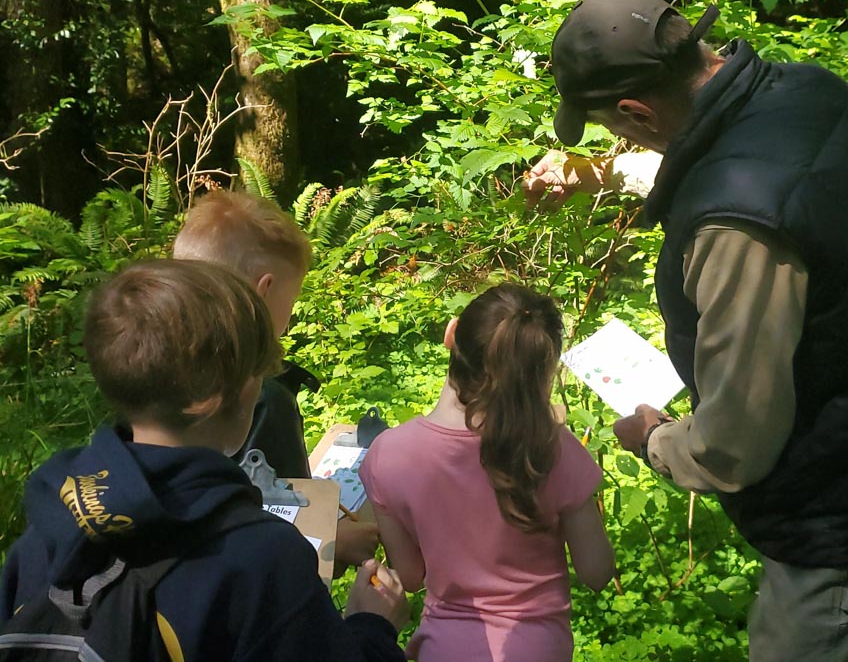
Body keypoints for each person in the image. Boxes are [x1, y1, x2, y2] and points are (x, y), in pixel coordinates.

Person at [526, 0, 848, 661]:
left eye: (613, 129)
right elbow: (744, 164)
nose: (620, 138)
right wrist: (602, 174)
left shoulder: (738, 225)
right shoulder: (810, 94)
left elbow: (735, 442)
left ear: (633, 110)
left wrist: (656, 439)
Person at [0, 259, 409, 661]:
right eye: (258, 375)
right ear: (214, 399)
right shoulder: (263, 558)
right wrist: (373, 627)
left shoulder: (47, 532)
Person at [359, 283, 615, 661]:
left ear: (452, 333)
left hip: (444, 649)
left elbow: (410, 577)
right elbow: (597, 572)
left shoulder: (388, 456)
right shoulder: (554, 450)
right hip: (540, 649)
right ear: (540, 372)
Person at [172, 190, 379, 572]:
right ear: (263, 290)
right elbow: (280, 523)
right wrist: (332, 541)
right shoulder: (261, 398)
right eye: (292, 300)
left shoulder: (149, 376)